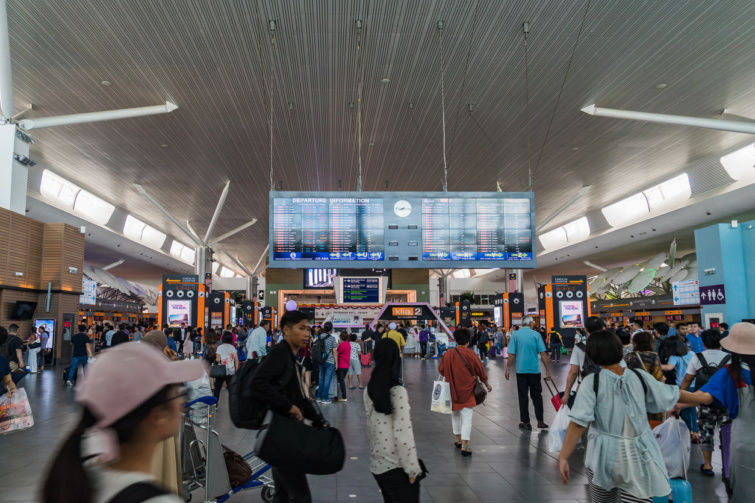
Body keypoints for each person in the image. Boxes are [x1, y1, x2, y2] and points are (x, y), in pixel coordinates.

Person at [42, 343, 203, 503]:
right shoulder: (159, 500)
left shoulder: (78, 479)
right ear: (157, 415)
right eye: (180, 393)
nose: (182, 402)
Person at [558, 330, 704, 502]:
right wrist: (704, 397)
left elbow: (578, 423)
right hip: (639, 453)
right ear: (620, 350)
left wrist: (563, 457)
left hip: (602, 456)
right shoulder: (639, 376)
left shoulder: (592, 382)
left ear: (592, 355)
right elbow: (672, 394)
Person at [249, 310, 326, 503]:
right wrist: (289, 408)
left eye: (308, 328)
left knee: (283, 494)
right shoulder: (280, 353)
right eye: (301, 328)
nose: (307, 333)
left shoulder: (291, 356)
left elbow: (298, 397)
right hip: (282, 438)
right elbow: (258, 382)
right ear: (286, 330)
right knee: (301, 496)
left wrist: (319, 421)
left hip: (286, 436)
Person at [673, 322, 755, 503]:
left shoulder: (731, 372)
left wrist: (674, 400)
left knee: (745, 492)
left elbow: (705, 398)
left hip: (745, 444)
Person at [365, 338, 423, 502]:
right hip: (397, 467)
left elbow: (371, 427)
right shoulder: (397, 391)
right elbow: (403, 433)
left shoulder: (370, 388)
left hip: (378, 465)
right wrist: (412, 469)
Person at [679, 329, 730, 476]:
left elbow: (687, 380)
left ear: (703, 343)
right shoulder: (730, 357)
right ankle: (727, 465)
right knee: (726, 432)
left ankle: (708, 465)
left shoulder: (697, 357)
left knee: (705, 431)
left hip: (704, 401)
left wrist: (683, 397)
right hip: (725, 401)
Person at [438, 328, 491, 456]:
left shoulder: (448, 354)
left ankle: (457, 439)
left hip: (452, 389)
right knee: (467, 417)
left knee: (455, 414)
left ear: (456, 340)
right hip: (467, 390)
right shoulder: (471, 354)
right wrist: (487, 383)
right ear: (468, 341)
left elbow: (441, 370)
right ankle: (465, 445)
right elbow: (480, 371)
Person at [506, 316, 552, 430]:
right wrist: (547, 370)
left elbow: (511, 353)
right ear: (530, 323)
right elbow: (543, 354)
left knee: (523, 396)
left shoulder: (515, 335)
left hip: (521, 370)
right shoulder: (536, 335)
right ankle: (540, 421)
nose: (534, 324)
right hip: (534, 370)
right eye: (533, 322)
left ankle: (526, 422)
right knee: (537, 395)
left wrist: (507, 369)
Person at [564, 317, 625, 397]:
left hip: (585, 386)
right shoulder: (612, 344)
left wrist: (566, 393)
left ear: (585, 329)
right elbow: (622, 367)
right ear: (603, 328)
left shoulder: (579, 347)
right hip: (610, 386)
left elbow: (573, 372)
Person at [660, 336, 698, 439]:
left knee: (684, 410)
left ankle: (688, 431)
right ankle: (696, 432)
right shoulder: (692, 353)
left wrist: (654, 364)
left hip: (683, 385)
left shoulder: (674, 357)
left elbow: (669, 367)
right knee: (693, 408)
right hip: (695, 384)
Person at [316, 322, 338, 404]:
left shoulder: (319, 336)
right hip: (329, 361)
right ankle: (325, 398)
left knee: (321, 378)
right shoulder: (332, 338)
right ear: (331, 329)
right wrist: (336, 363)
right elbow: (334, 352)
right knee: (327, 379)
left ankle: (318, 397)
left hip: (320, 361)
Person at [213, 331, 238, 405]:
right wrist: (236, 370)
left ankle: (215, 404)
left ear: (223, 339)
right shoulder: (233, 348)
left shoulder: (220, 347)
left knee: (217, 389)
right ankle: (233, 405)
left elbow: (218, 359)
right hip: (231, 371)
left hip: (221, 371)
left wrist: (214, 364)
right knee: (231, 390)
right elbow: (236, 359)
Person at [335, 331, 351, 402]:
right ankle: (339, 394)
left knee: (341, 382)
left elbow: (336, 353)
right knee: (341, 381)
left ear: (341, 337)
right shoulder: (348, 344)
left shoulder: (341, 345)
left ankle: (344, 397)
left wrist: (337, 345)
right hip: (347, 365)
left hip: (341, 365)